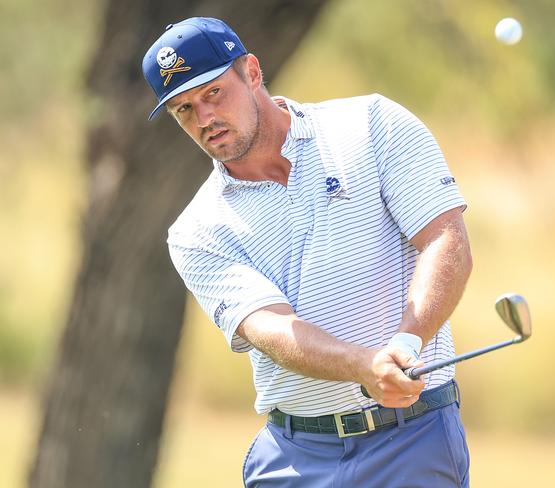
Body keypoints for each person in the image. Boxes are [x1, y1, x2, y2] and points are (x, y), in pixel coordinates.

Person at [142, 17, 473, 488]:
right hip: (294, 457)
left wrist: (405, 344)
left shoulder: (371, 125)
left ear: (252, 71)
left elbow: (444, 238)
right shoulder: (196, 230)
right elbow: (270, 328)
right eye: (183, 109)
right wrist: (362, 365)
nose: (204, 119)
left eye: (213, 93)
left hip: (411, 440)